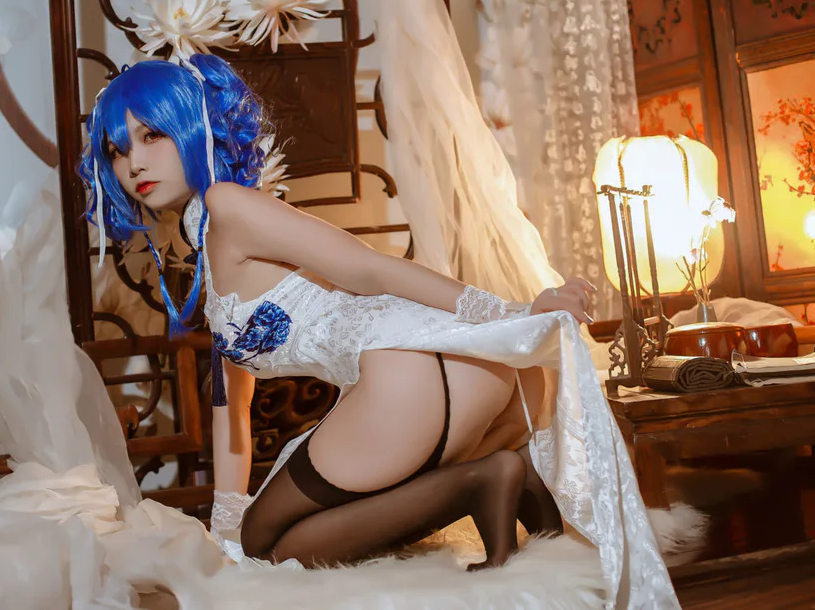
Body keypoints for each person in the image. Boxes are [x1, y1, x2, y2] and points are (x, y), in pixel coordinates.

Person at [80, 55, 600, 572]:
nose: (135, 164)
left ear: (194, 126)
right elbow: (233, 406)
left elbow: (367, 268)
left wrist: (513, 314)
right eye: (117, 150)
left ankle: (481, 482)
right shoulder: (215, 243)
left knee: (265, 541)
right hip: (470, 376)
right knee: (277, 538)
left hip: (411, 370)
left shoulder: (227, 204)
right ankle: (504, 474)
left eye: (151, 135)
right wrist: (226, 522)